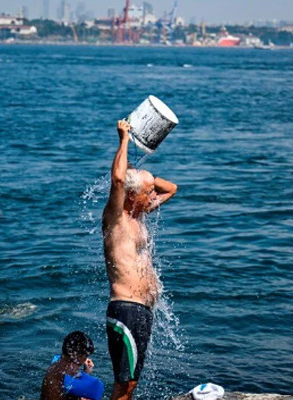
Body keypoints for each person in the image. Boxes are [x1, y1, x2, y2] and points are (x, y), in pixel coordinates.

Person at [102, 120, 178, 400]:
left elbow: (172, 188)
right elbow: (119, 180)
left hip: (142, 310)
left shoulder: (139, 214)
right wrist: (124, 139)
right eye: (148, 192)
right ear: (132, 196)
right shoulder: (117, 218)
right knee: (124, 385)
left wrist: (145, 174)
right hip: (126, 309)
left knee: (130, 384)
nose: (153, 197)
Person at [40, 331, 104, 400]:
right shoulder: (68, 369)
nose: (85, 360)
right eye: (85, 356)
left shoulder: (56, 365)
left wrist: (86, 372)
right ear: (75, 354)